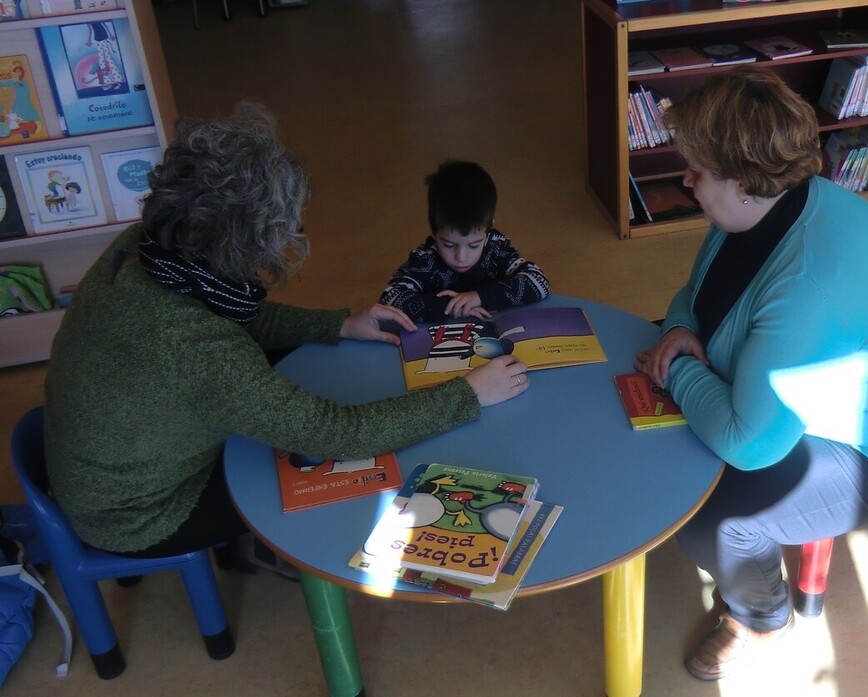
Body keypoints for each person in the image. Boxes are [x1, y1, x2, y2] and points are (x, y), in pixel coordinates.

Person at [43, 102, 530, 575]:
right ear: (249, 239)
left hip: (102, 462)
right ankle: (256, 551)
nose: (290, 237)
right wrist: (467, 393)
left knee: (286, 417)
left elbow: (230, 316)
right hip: (139, 515)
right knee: (330, 471)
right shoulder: (196, 352)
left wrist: (336, 325)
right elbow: (338, 434)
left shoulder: (143, 246)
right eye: (285, 227)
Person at [634, 66, 868, 681]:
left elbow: (750, 445)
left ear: (745, 180)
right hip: (818, 381)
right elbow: (701, 293)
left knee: (712, 519)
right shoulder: (763, 205)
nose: (687, 180)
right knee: (658, 393)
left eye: (698, 171)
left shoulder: (808, 286)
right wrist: (681, 326)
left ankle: (759, 617)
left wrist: (676, 368)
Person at [379, 159, 549, 322]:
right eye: (448, 244)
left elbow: (538, 281)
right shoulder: (426, 260)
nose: (461, 257)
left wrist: (480, 297)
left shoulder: (494, 249)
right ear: (434, 231)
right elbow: (390, 299)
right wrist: (451, 306)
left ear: (488, 228)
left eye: (474, 245)